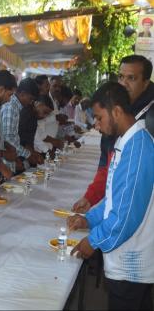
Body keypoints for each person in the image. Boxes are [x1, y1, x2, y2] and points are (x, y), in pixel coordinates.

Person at [68, 82, 154, 311]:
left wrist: (94, 240)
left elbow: (125, 216)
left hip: (131, 265)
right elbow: (115, 196)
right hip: (124, 258)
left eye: (98, 117)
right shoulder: (124, 142)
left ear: (116, 111)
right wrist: (91, 218)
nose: (96, 125)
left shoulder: (137, 147)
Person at [73, 55, 154, 213]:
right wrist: (91, 197)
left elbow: (132, 191)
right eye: (121, 77)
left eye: (132, 78)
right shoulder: (115, 109)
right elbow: (107, 166)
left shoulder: (151, 117)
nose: (124, 83)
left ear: (145, 83)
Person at [1, 78, 44, 171]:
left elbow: (14, 138)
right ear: (22, 94)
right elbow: (7, 138)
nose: (31, 102)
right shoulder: (11, 106)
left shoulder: (17, 107)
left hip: (13, 157)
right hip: (6, 160)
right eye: (30, 98)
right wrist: (28, 154)